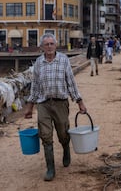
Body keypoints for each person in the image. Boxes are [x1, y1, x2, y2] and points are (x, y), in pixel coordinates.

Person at [24, 33, 87, 181]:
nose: (50, 46)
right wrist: (30, 106)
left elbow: (71, 83)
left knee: (63, 133)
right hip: (43, 104)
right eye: (46, 44)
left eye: (52, 44)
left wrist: (79, 102)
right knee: (45, 135)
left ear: (56, 45)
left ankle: (66, 149)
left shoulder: (63, 60)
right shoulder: (38, 63)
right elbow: (35, 86)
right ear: (42, 47)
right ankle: (50, 168)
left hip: (60, 103)